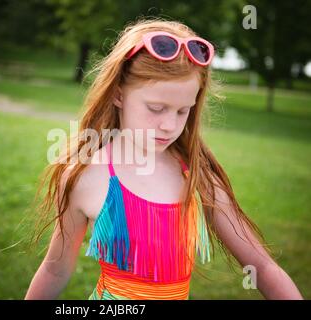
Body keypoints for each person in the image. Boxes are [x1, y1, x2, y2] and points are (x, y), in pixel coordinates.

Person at [24, 18, 303, 300]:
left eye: (183, 111)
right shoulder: (86, 175)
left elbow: (263, 267)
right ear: (118, 94)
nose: (170, 125)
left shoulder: (196, 174)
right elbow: (55, 270)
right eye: (156, 108)